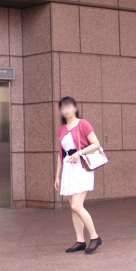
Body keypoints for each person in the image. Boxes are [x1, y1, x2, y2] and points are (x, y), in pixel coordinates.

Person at [54, 97, 103, 254]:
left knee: (77, 205)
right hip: (68, 169)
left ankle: (94, 237)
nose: (66, 110)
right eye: (63, 108)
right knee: (73, 208)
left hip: (82, 168)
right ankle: (80, 240)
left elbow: (96, 144)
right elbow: (61, 155)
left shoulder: (83, 124)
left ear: (75, 108)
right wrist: (57, 176)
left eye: (69, 107)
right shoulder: (62, 129)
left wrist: (79, 152)